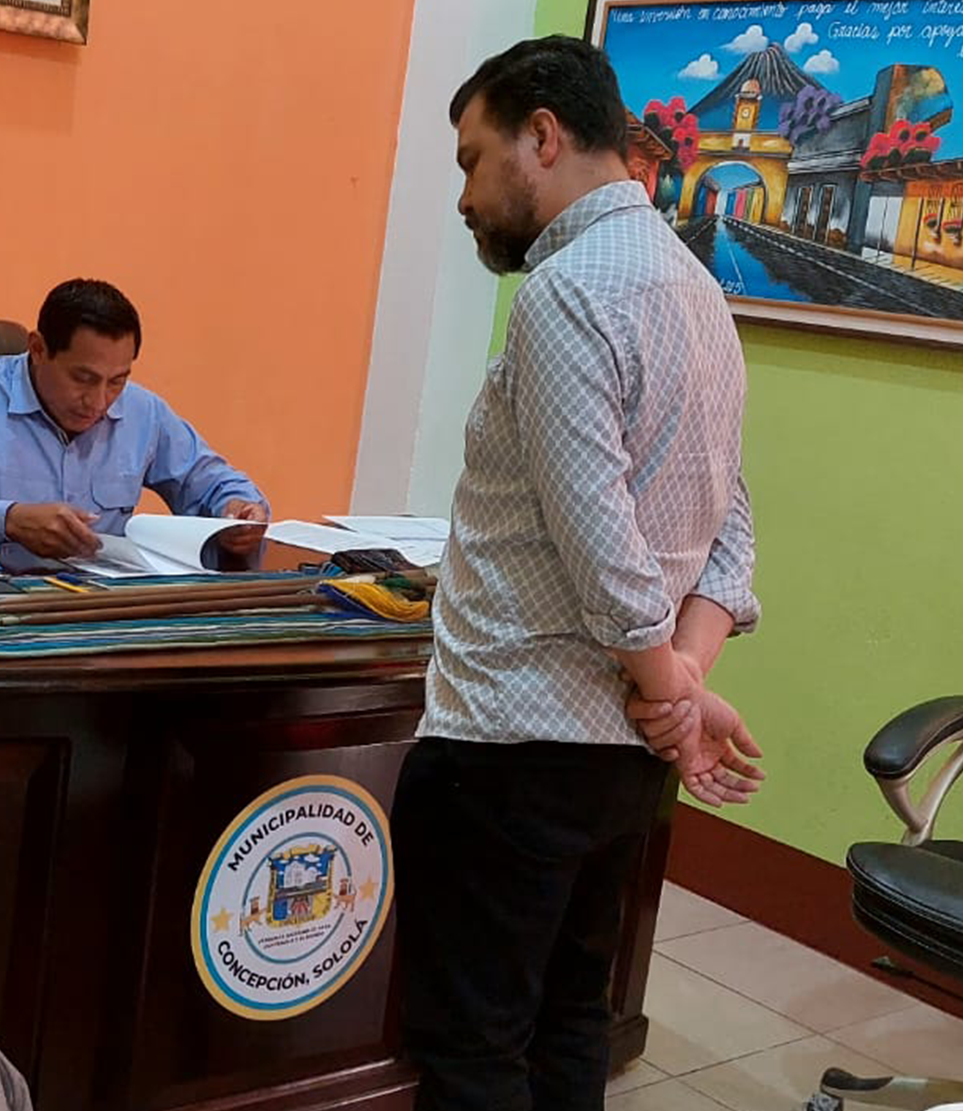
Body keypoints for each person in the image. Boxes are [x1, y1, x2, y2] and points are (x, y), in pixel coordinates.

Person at [390, 36, 765, 1111]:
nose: (464, 195)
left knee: (471, 1053)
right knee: (569, 1030)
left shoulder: (565, 293)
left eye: (471, 160)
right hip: (615, 769)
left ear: (542, 138)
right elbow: (729, 521)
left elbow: (599, 546)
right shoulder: (697, 289)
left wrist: (667, 689)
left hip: (508, 750)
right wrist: (682, 687)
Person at [0, 278, 269, 560]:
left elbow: (213, 481)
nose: (98, 401)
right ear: (38, 349)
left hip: (98, 616)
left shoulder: (142, 412)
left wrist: (239, 510)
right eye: (83, 378)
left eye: (117, 381)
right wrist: (8, 520)